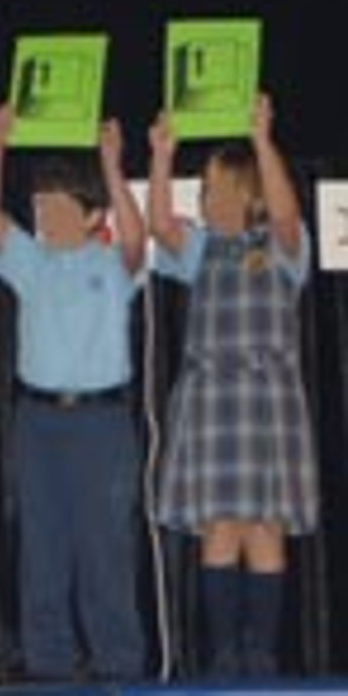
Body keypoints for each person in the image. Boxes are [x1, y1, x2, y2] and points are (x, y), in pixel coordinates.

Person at [0, 104, 146, 682]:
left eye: (57, 205)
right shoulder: (30, 260)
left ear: (91, 212)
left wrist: (111, 166)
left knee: (104, 550)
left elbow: (137, 240)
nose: (45, 215)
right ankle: (49, 664)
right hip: (38, 420)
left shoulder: (112, 263)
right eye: (40, 205)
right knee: (43, 548)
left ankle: (117, 664)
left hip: (100, 422)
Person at [147, 94, 319, 679]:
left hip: (266, 401)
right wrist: (161, 156)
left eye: (221, 189)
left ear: (250, 194)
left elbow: (290, 217)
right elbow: (160, 228)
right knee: (219, 526)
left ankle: (261, 655)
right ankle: (223, 656)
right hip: (212, 401)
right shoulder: (201, 250)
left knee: (266, 527)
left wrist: (263, 140)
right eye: (205, 192)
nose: (210, 201)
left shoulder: (282, 247)